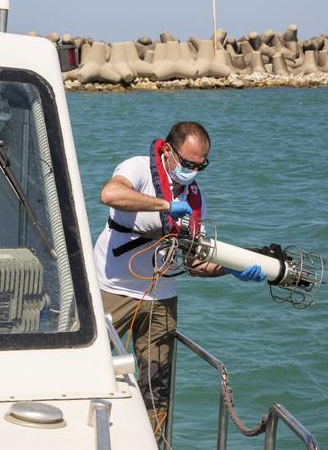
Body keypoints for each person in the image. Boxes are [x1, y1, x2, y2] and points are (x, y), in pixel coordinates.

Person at [93, 121, 266, 437]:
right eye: (188, 164)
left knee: (156, 390)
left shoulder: (195, 200)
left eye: (201, 166)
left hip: (161, 299)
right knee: (91, 369)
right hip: (111, 289)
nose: (193, 172)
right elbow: (110, 193)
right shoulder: (139, 169)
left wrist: (230, 269)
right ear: (169, 151)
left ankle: (151, 441)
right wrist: (165, 205)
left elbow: (195, 265)